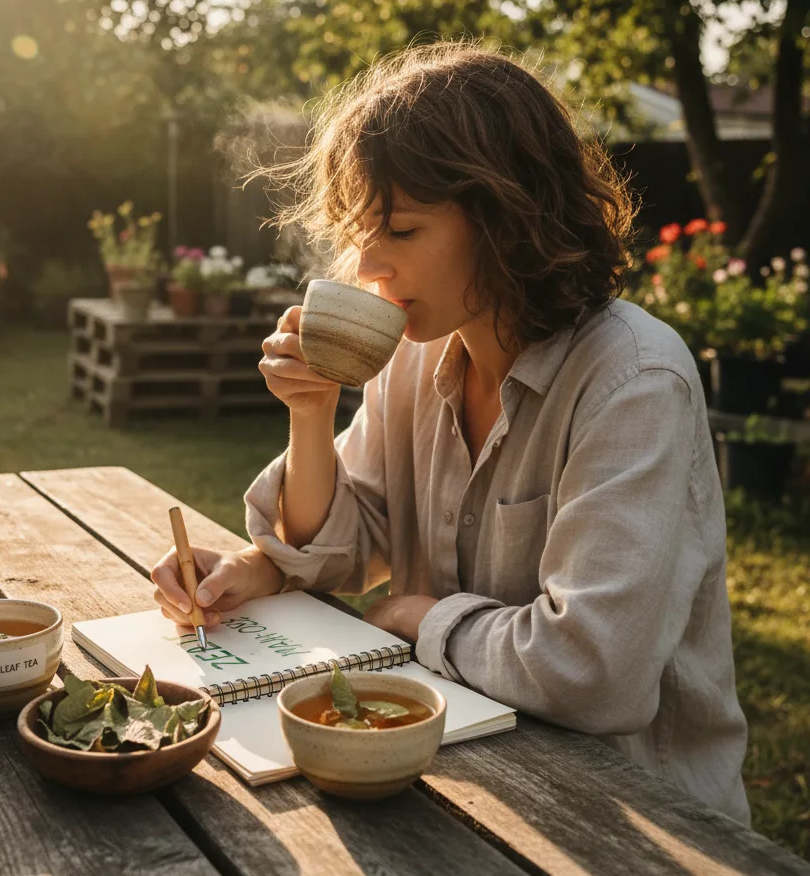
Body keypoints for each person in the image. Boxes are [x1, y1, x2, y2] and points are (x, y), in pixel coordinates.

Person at [151, 42, 750, 823]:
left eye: (400, 230)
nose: (368, 265)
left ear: (508, 220)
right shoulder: (417, 354)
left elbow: (596, 670)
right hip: (461, 773)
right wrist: (304, 430)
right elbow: (346, 541)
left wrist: (419, 616)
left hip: (637, 821)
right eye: (363, 231)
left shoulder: (633, 381)